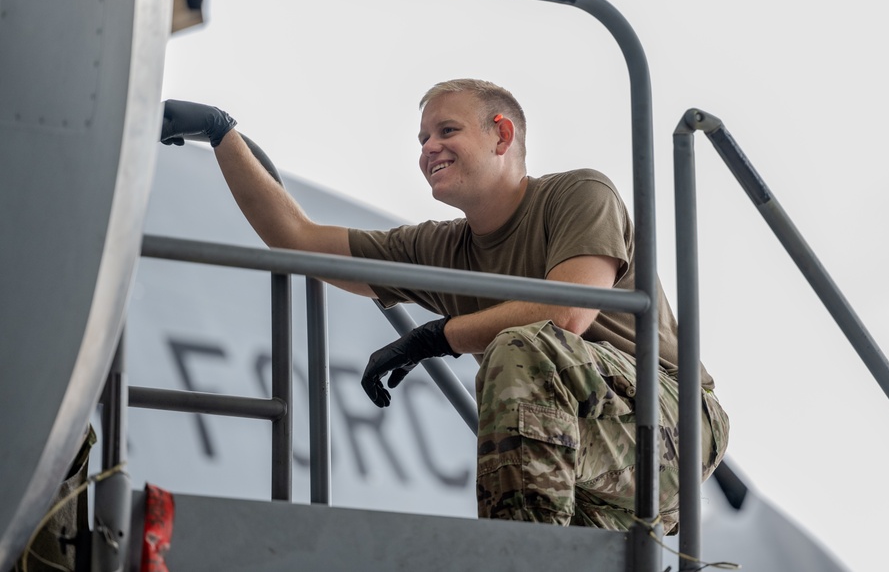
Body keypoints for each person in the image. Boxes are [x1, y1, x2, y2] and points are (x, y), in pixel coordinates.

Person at [159, 79, 729, 533]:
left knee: (521, 347)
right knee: (522, 418)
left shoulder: (579, 194)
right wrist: (219, 133)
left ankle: (519, 555)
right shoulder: (440, 248)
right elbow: (299, 241)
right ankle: (527, 546)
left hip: (667, 420)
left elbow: (567, 314)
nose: (428, 147)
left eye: (446, 130)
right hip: (576, 446)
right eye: (421, 139)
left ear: (501, 135)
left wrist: (436, 336)